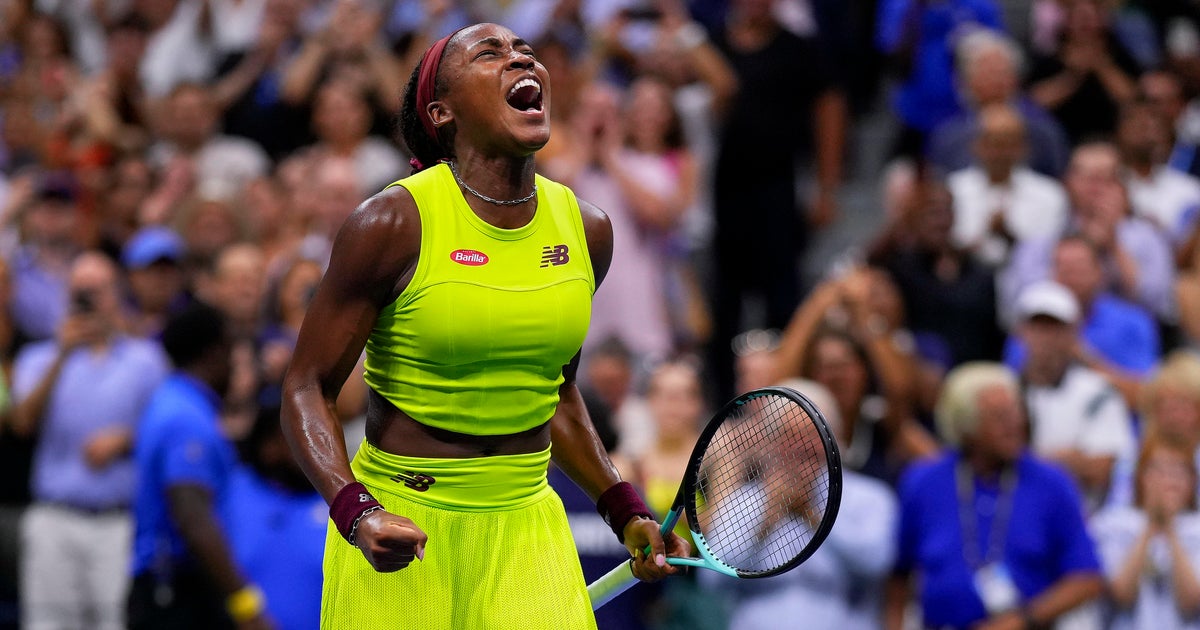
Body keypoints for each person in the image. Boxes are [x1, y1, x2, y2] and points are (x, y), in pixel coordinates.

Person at [280, 24, 687, 629]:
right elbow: (305, 387)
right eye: (489, 53)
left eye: (524, 51)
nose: (520, 58)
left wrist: (624, 511)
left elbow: (555, 393)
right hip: (403, 521)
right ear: (441, 112)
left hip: (528, 520)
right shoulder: (391, 222)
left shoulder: (587, 229)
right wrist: (356, 511)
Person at [10, 252, 169, 630]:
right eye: (80, 292)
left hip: (117, 520)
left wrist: (127, 438)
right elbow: (22, 423)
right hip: (55, 516)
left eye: (97, 291)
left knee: (113, 622)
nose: (88, 301)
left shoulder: (146, 359)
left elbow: (166, 431)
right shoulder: (38, 358)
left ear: (115, 294)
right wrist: (62, 355)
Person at [884, 362, 1104, 630]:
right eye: (999, 417)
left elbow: (1087, 578)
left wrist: (1021, 619)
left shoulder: (1052, 483)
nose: (1015, 424)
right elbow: (897, 576)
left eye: (1016, 412)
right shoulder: (923, 482)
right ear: (966, 427)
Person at [701, 378, 897, 630]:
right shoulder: (744, 500)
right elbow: (712, 577)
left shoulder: (869, 497)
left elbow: (877, 563)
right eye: (788, 435)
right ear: (770, 442)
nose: (802, 447)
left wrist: (812, 515)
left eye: (812, 433)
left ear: (833, 437)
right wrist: (766, 519)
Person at [128, 301, 271, 630]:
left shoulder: (175, 401)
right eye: (232, 350)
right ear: (214, 353)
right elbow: (193, 517)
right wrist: (245, 603)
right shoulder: (185, 418)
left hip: (171, 588)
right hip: (177, 593)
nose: (236, 364)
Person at [1091, 437, 1200, 630]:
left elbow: (1191, 600)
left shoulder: (1196, 528)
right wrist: (1151, 525)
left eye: (1179, 472)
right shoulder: (1114, 523)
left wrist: (1169, 528)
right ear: (1140, 476)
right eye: (1159, 470)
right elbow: (1121, 594)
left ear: (1192, 481)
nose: (1169, 480)